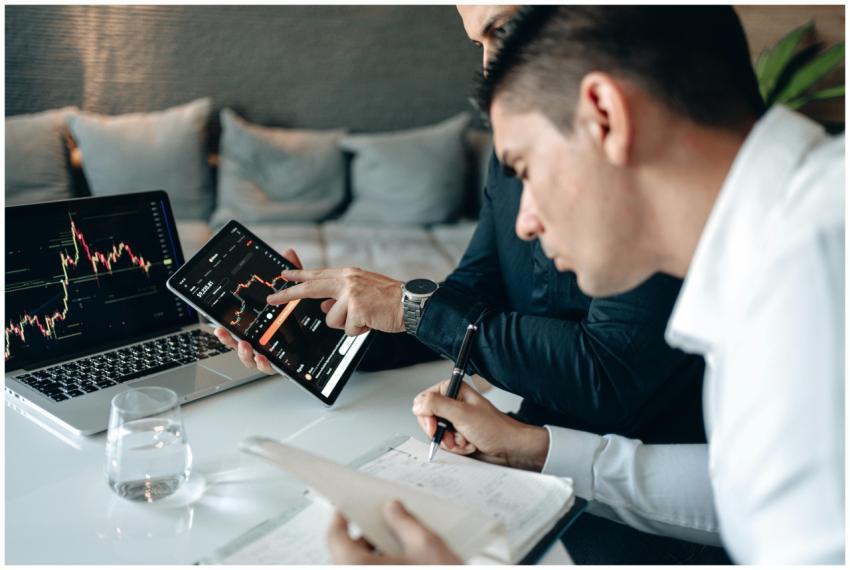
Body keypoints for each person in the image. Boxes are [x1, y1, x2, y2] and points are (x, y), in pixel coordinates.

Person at [329, 5, 845, 564]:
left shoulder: (811, 277)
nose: (523, 221)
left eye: (526, 167)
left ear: (604, 114)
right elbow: (745, 487)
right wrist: (539, 450)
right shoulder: (784, 237)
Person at [215, 5, 721, 563]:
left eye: (503, 29)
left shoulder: (688, 201)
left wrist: (412, 308)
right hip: (528, 463)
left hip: (634, 524)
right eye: (477, 41)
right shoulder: (509, 161)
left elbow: (609, 376)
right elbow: (469, 299)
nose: (488, 68)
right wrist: (321, 328)